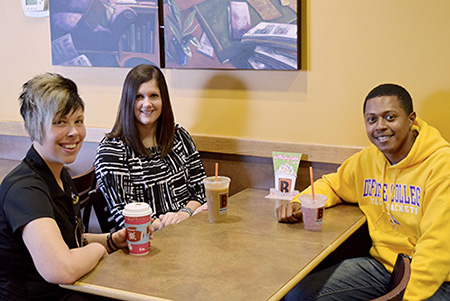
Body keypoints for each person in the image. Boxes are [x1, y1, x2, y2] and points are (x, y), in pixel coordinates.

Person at [276, 83, 450, 300]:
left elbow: (438, 248)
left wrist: (403, 297)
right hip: (384, 267)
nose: (380, 126)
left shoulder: (442, 166)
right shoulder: (368, 159)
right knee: (299, 295)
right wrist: (299, 202)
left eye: (390, 117)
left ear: (411, 119)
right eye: (372, 119)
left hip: (437, 280)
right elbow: (333, 184)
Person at [0, 73, 136, 300]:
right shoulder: (24, 190)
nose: (74, 132)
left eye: (78, 121)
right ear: (34, 127)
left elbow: (69, 240)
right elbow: (60, 268)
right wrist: (99, 249)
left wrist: (112, 240)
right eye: (60, 122)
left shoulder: (60, 174)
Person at [94, 64, 206, 231]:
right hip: (145, 242)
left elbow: (201, 189)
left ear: (163, 100)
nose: (147, 104)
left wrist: (185, 213)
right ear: (128, 100)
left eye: (153, 95)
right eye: (139, 97)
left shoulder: (179, 136)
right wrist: (167, 224)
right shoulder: (112, 151)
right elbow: (126, 215)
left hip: (188, 231)